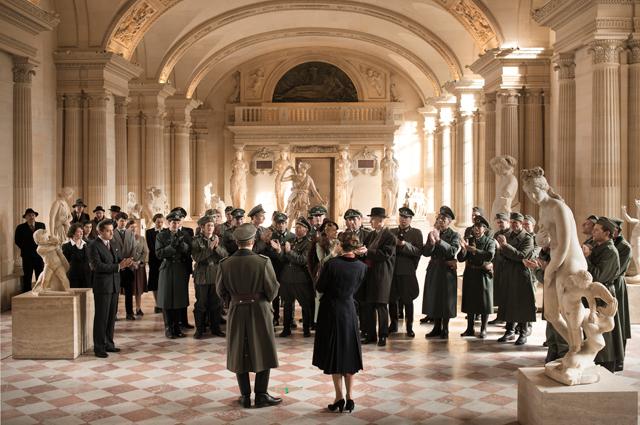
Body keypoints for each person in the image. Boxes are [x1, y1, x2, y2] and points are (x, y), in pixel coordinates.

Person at [216, 223, 282, 408]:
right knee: (264, 348)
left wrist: (234, 299)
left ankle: (245, 396)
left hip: (237, 309)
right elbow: (272, 290)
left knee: (239, 350)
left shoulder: (225, 263)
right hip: (260, 309)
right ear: (253, 241)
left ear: (237, 242)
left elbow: (220, 291)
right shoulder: (263, 262)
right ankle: (261, 395)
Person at [313, 231, 367, 413]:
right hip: (349, 310)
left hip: (331, 311)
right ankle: (350, 397)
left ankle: (339, 397)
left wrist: (329, 260)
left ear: (340, 245)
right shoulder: (362, 266)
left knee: (335, 353)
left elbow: (319, 286)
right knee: (349, 352)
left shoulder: (332, 264)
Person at [88, 220, 133, 358]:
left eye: (112, 230)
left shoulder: (113, 243)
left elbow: (118, 260)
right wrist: (118, 266)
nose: (111, 233)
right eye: (108, 230)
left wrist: (126, 262)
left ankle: (109, 344)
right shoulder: (93, 245)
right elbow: (97, 266)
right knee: (101, 318)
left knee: (111, 317)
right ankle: (99, 347)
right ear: (100, 231)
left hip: (114, 285)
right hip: (102, 287)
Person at [583, 217, 623, 372]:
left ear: (607, 233)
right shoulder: (597, 246)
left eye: (597, 230)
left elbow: (598, 276)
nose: (593, 231)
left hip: (603, 297)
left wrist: (587, 257)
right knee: (592, 332)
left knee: (603, 335)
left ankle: (606, 366)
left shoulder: (610, 252)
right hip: (593, 296)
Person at [495, 212, 536, 345]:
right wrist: (504, 250)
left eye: (516, 223)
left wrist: (506, 246)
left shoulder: (527, 238)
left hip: (520, 274)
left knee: (522, 304)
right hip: (508, 273)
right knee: (508, 303)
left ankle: (523, 333)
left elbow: (522, 256)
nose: (513, 225)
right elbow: (500, 255)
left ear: (521, 223)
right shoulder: (507, 236)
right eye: (511, 222)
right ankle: (509, 331)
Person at [360, 207, 396, 347]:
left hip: (382, 275)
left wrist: (367, 252)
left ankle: (383, 335)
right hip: (369, 275)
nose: (370, 222)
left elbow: (385, 255)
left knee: (381, 305)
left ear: (380, 220)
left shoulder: (389, 236)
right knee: (369, 305)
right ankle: (371, 335)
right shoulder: (370, 235)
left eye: (373, 219)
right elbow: (364, 249)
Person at [422, 206, 460, 339]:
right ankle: (436, 327)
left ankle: (445, 329)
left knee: (446, 300)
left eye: (443, 219)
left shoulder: (454, 235)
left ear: (449, 221)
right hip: (434, 269)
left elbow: (452, 251)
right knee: (434, 298)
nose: (440, 221)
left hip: (446, 271)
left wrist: (439, 241)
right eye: (439, 218)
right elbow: (426, 253)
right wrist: (431, 244)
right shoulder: (432, 233)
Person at [156, 211, 193, 339]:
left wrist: (182, 245)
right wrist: (171, 246)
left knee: (178, 299)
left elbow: (189, 251)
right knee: (166, 299)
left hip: (180, 269)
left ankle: (177, 327)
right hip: (167, 268)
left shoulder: (184, 234)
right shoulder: (161, 235)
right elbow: (159, 253)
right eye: (173, 222)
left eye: (177, 222)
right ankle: (168, 328)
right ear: (168, 223)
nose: (175, 225)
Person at [458, 216, 496, 338]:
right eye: (475, 227)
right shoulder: (469, 240)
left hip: (483, 274)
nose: (476, 229)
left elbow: (489, 255)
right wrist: (463, 250)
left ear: (484, 229)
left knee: (484, 302)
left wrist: (474, 250)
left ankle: (483, 329)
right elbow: (460, 259)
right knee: (470, 301)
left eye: (479, 227)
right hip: (470, 273)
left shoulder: (489, 241)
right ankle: (470, 328)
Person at [277, 217, 315, 337]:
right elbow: (283, 260)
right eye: (296, 227)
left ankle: (306, 329)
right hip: (287, 278)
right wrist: (279, 251)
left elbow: (302, 260)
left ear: (306, 230)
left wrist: (289, 252)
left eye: (300, 227)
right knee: (287, 305)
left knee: (305, 305)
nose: (297, 229)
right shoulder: (291, 240)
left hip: (300, 279)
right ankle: (286, 329)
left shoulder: (308, 243)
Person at [389, 207, 423, 337]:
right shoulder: (391, 232)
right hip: (392, 270)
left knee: (408, 300)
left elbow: (418, 251)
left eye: (406, 217)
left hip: (407, 271)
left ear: (411, 219)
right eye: (402, 217)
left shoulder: (416, 233)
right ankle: (393, 324)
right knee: (392, 299)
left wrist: (404, 245)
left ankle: (409, 327)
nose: (403, 219)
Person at [192, 215, 227, 339]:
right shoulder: (196, 241)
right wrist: (210, 248)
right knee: (201, 304)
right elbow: (197, 258)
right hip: (202, 275)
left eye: (212, 225)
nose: (210, 228)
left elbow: (225, 255)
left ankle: (215, 328)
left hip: (215, 275)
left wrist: (216, 247)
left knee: (216, 303)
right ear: (202, 227)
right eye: (208, 226)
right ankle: (199, 329)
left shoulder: (219, 240)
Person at [264, 212, 295, 327]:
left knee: (289, 296)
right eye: (278, 223)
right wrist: (279, 252)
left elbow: (292, 254)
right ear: (275, 224)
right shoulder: (271, 237)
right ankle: (275, 317)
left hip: (288, 269)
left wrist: (280, 252)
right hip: (275, 269)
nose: (281, 225)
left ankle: (290, 319)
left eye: (283, 223)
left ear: (286, 223)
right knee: (276, 295)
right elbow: (268, 253)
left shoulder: (292, 236)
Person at [611, 218, 632, 370]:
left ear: (616, 231)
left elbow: (617, 270)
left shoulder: (624, 247)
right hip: (608, 283)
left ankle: (620, 359)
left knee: (620, 321)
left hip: (617, 286)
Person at [14, 208, 46, 293]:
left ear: (35, 216)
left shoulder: (41, 225)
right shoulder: (20, 227)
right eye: (29, 215)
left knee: (40, 274)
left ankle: (40, 291)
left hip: (39, 255)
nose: (31, 217)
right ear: (25, 217)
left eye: (33, 215)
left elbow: (44, 238)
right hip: (27, 256)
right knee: (27, 275)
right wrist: (26, 248)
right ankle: (26, 293)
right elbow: (17, 240)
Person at [112, 212, 136, 320]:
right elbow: (110, 249)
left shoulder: (130, 232)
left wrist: (130, 260)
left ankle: (129, 313)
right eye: (121, 220)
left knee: (129, 291)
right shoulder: (112, 232)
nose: (123, 223)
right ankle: (114, 314)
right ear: (117, 221)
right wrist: (120, 262)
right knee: (115, 292)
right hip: (116, 266)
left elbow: (134, 247)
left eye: (125, 221)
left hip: (128, 265)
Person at [488, 212, 510, 325]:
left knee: (507, 294)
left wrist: (500, 247)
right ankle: (500, 316)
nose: (500, 224)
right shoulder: (496, 234)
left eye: (502, 222)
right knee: (500, 293)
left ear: (508, 222)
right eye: (498, 222)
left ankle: (508, 319)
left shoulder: (511, 234)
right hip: (498, 266)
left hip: (507, 267)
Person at [127, 220, 148, 316]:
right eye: (132, 227)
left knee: (138, 289)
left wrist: (139, 262)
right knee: (129, 289)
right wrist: (131, 262)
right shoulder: (125, 239)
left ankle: (138, 308)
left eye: (135, 227)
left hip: (139, 267)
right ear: (128, 228)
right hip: (128, 266)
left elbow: (146, 252)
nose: (134, 228)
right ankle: (129, 310)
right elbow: (124, 252)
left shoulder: (142, 238)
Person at [62, 223, 91, 288]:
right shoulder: (66, 246)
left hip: (86, 277)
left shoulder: (87, 244)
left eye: (82, 231)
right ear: (73, 233)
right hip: (73, 277)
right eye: (79, 232)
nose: (81, 233)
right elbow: (64, 263)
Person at [146, 213, 164, 313]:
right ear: (154, 222)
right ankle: (157, 304)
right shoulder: (149, 232)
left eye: (161, 222)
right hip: (154, 260)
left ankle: (163, 303)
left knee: (163, 282)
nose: (160, 224)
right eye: (158, 222)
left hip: (164, 261)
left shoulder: (167, 231)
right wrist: (161, 254)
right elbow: (151, 247)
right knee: (154, 283)